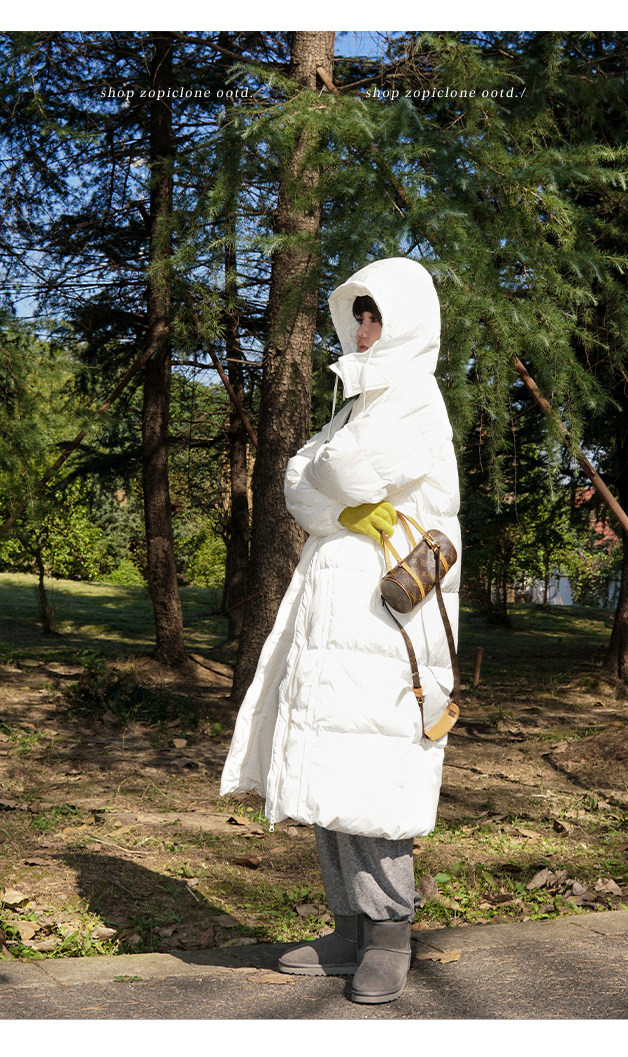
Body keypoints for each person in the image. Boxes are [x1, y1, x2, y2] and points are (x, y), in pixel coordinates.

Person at [220, 256, 461, 1004]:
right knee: (331, 766)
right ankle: (349, 929)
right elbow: (297, 481)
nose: (362, 329)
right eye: (357, 315)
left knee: (375, 767)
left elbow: (342, 471)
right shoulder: (358, 405)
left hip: (388, 620)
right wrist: (337, 495)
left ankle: (389, 935)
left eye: (376, 316)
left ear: (406, 322)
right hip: (336, 614)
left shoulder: (414, 395)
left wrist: (336, 487)